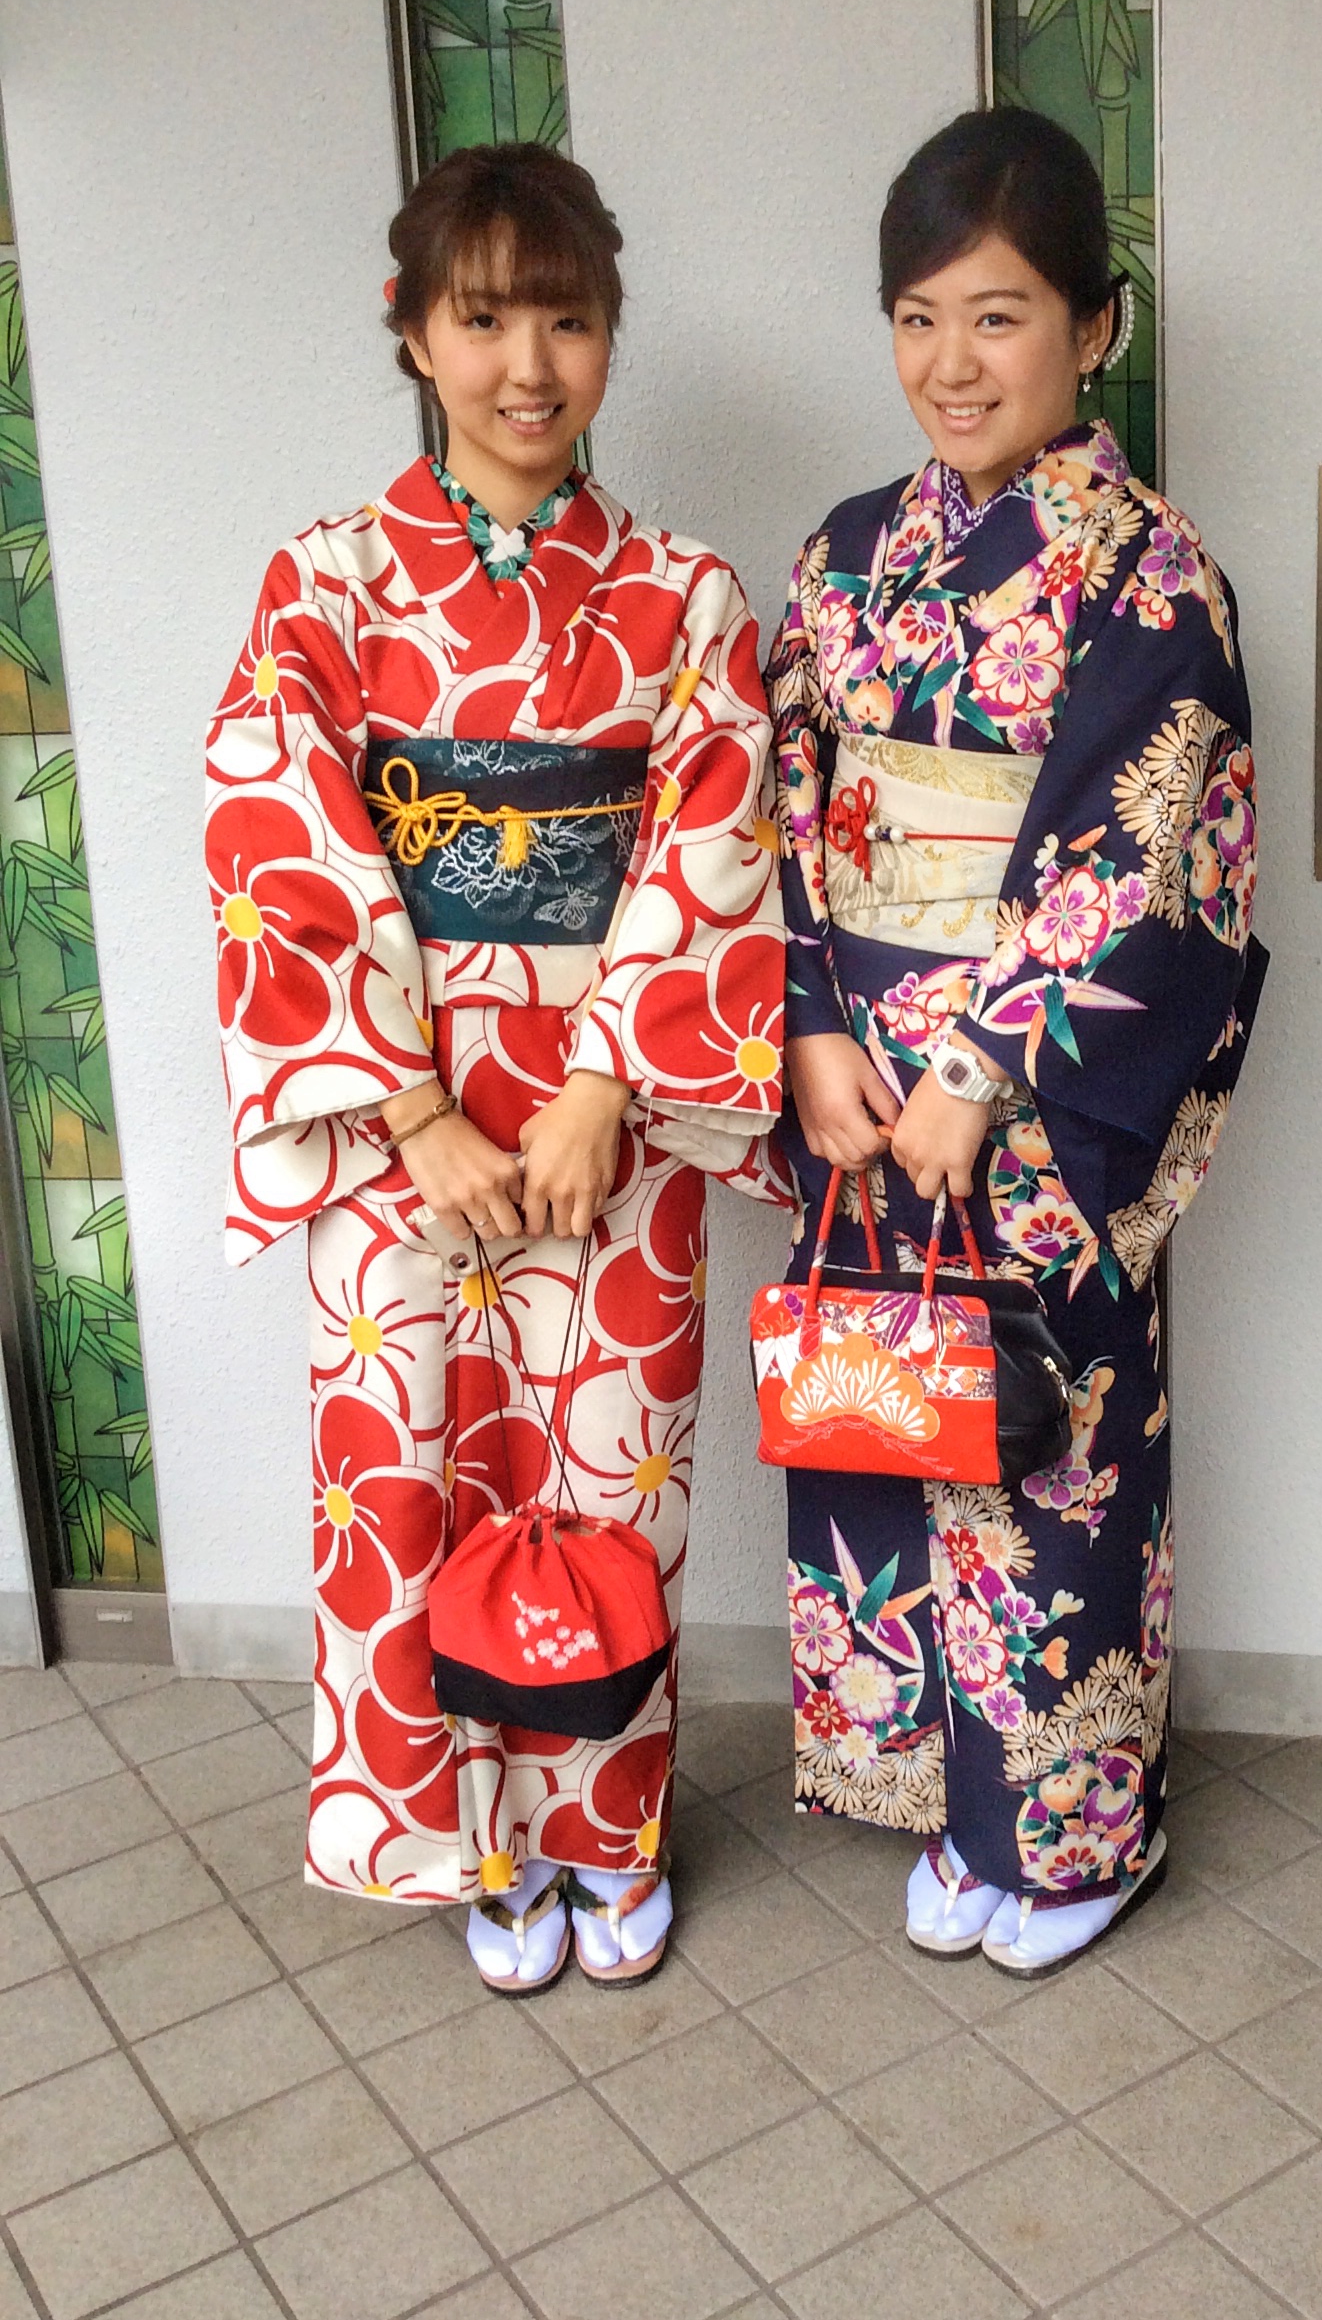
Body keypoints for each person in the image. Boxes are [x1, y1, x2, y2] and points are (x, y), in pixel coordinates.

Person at [206, 143, 783, 1994]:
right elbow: (277, 840)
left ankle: (610, 1826)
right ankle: (473, 1843)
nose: (529, 366)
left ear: (612, 330)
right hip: (404, 1130)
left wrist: (608, 1086)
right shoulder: (326, 585)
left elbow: (714, 838)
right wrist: (415, 1109)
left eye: (568, 320)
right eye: (483, 320)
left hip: (615, 1122)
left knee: (611, 1484)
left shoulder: (686, 597)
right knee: (411, 1476)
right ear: (413, 330)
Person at [767, 106, 1265, 1975]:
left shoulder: (1155, 579)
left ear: (1094, 326)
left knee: (1053, 1459)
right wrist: (814, 1028)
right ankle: (939, 1802)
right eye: (917, 319)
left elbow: (1153, 847)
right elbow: (779, 806)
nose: (951, 365)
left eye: (997, 316)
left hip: (1032, 1106)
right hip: (860, 1094)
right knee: (887, 1419)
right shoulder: (843, 557)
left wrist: (978, 1073)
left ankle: (1071, 1837)